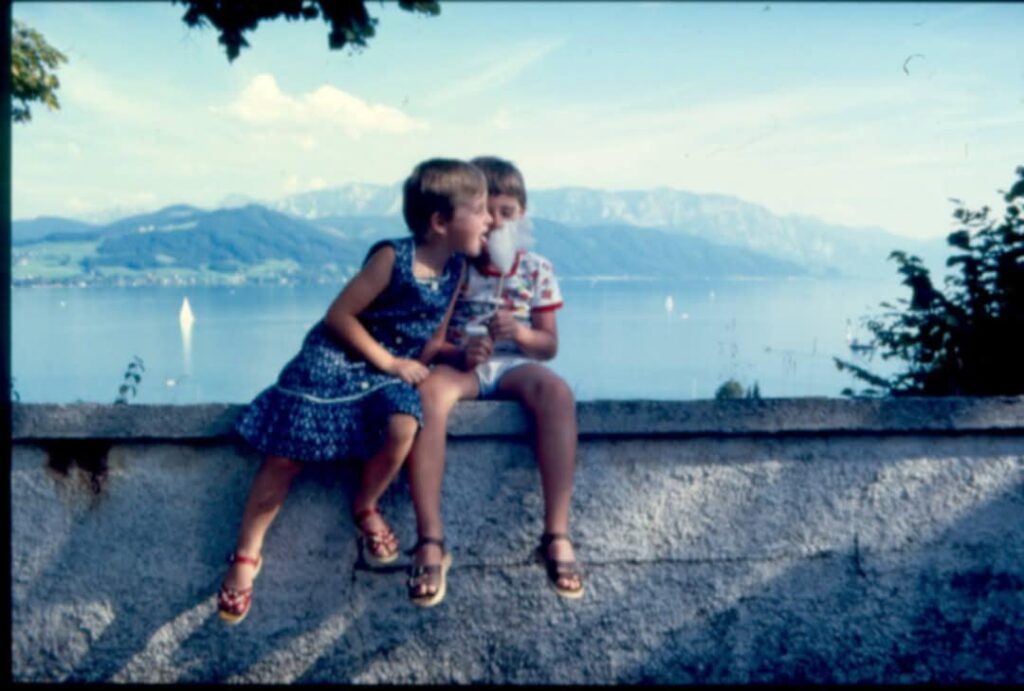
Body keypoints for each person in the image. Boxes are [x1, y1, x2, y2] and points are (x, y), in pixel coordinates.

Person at [217, 159, 490, 624]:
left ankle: (365, 504)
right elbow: (338, 316)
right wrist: (389, 362)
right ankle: (246, 556)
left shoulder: (457, 271)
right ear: (440, 223)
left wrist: (462, 355)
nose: (489, 220)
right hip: (340, 358)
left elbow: (430, 339)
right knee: (288, 448)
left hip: (389, 373)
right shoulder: (392, 258)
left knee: (404, 422)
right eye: (480, 210)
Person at [405, 156, 584, 607]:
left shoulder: (537, 269)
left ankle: (557, 533)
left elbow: (548, 346)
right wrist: (460, 353)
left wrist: (521, 334)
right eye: (490, 212)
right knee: (428, 395)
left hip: (514, 366)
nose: (497, 223)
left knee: (558, 393)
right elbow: (431, 345)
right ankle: (430, 539)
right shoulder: (455, 266)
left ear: (522, 215)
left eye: (508, 213)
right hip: (464, 365)